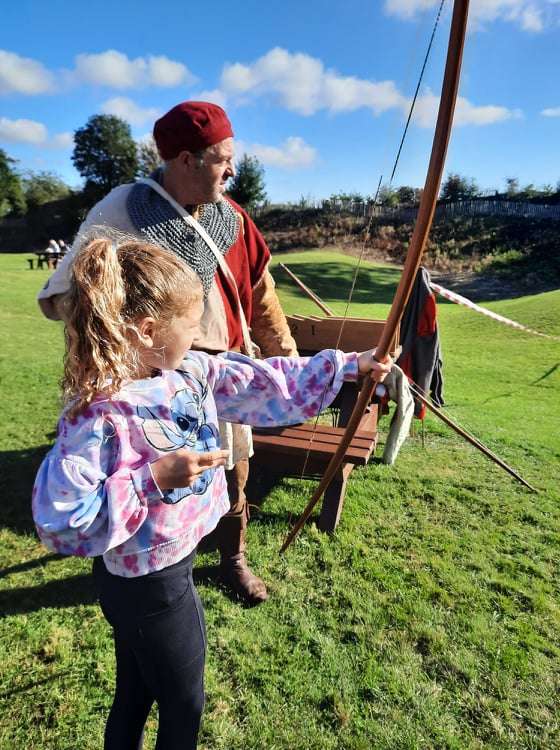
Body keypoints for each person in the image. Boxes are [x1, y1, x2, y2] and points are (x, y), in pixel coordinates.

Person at [32, 237, 392, 750]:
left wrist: (346, 366)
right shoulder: (99, 413)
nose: (200, 333)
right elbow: (59, 519)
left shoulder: (191, 371)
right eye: (192, 323)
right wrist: (151, 479)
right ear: (149, 331)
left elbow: (263, 381)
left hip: (162, 573)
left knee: (135, 691)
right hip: (149, 585)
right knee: (184, 705)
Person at [37, 101, 298, 604]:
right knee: (159, 482)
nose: (232, 169)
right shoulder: (121, 211)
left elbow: (261, 293)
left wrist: (285, 358)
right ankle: (156, 572)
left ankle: (233, 558)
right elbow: (68, 295)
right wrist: (130, 346)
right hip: (148, 389)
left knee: (232, 469)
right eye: (222, 159)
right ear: (185, 159)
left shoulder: (232, 218)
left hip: (217, 378)